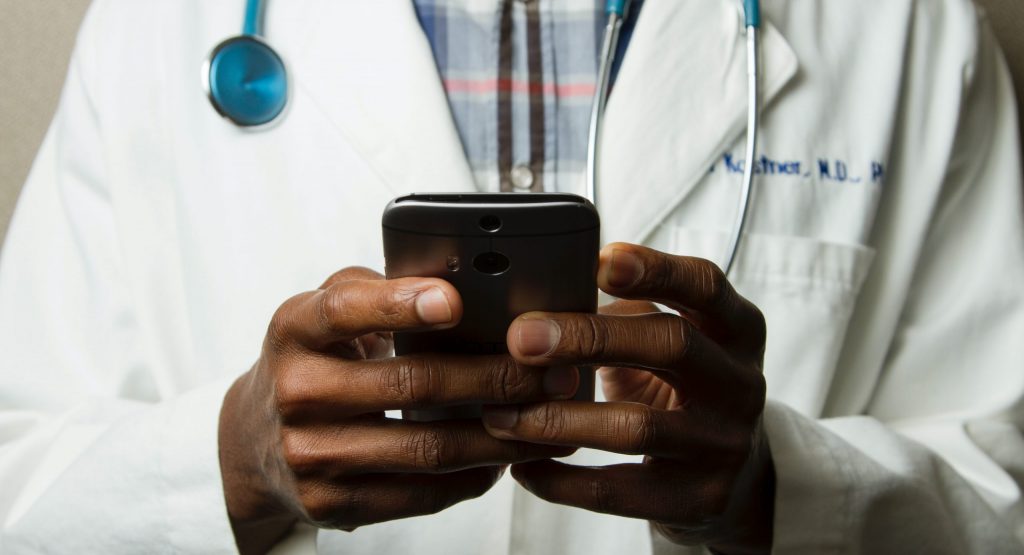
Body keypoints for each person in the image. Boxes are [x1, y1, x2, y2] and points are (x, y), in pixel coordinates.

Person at [1, 0, 1023, 553]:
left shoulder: (908, 26)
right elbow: (21, 490)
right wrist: (234, 465)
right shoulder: (152, 25)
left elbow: (1003, 491)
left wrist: (777, 497)